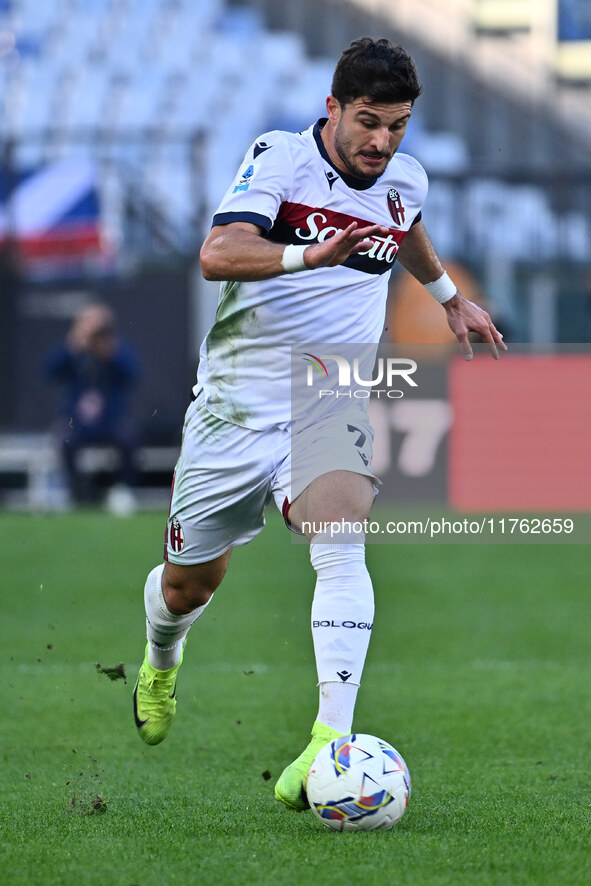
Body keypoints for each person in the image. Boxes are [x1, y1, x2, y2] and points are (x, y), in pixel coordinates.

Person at [132, 37, 505, 811]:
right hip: (236, 404)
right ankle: (161, 661)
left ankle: (326, 740)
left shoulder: (402, 175)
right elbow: (217, 252)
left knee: (340, 541)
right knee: (186, 585)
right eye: (368, 121)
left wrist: (445, 298)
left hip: (329, 392)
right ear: (332, 108)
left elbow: (401, 221)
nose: (381, 141)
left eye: (397, 125)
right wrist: (310, 257)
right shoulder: (277, 159)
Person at [44, 302, 140, 509]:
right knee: (65, 438)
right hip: (77, 421)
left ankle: (121, 488)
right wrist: (74, 343)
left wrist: (111, 351)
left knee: (129, 437)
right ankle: (76, 492)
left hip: (110, 420)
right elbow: (49, 370)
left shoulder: (115, 350)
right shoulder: (73, 352)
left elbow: (133, 373)